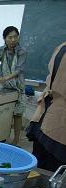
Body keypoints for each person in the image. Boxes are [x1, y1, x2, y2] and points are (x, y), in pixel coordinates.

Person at [0, 26, 27, 146]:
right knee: (3, 112)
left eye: (15, 37)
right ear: (4, 38)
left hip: (18, 87)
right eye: (10, 37)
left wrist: (5, 78)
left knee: (17, 115)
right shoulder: (0, 50)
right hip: (5, 88)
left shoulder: (21, 51)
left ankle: (16, 139)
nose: (13, 40)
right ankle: (0, 135)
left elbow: (19, 70)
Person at [30, 42, 66, 171]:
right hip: (59, 126)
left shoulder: (61, 47)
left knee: (41, 169)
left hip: (47, 115)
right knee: (54, 174)